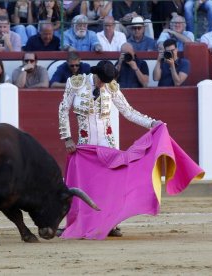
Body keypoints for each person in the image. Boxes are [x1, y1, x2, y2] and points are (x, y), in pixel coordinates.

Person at [58, 60, 162, 237]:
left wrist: (151, 123)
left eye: (107, 81)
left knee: (111, 186)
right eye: (102, 80)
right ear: (96, 74)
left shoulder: (111, 87)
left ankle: (110, 224)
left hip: (107, 145)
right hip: (85, 146)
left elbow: (128, 111)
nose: (103, 84)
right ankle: (77, 223)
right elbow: (63, 108)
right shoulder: (76, 83)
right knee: (84, 187)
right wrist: (67, 137)